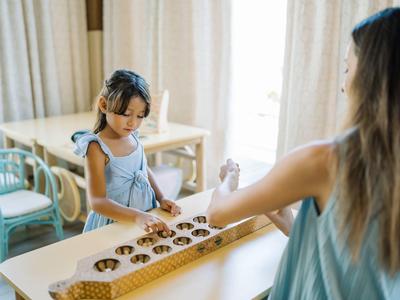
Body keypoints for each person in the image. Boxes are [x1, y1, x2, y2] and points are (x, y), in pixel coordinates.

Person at [207, 7, 400, 299]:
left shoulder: (325, 161)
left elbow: (217, 214)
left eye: (348, 69)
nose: (342, 85)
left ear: (370, 78)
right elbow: (360, 259)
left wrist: (229, 181)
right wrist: (290, 223)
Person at [74, 69, 181, 234]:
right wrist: (136, 216)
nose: (133, 123)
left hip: (144, 217)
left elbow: (143, 170)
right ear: (104, 105)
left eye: (140, 116)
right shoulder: (96, 148)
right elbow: (97, 201)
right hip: (113, 224)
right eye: (126, 114)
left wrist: (161, 198)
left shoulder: (134, 137)